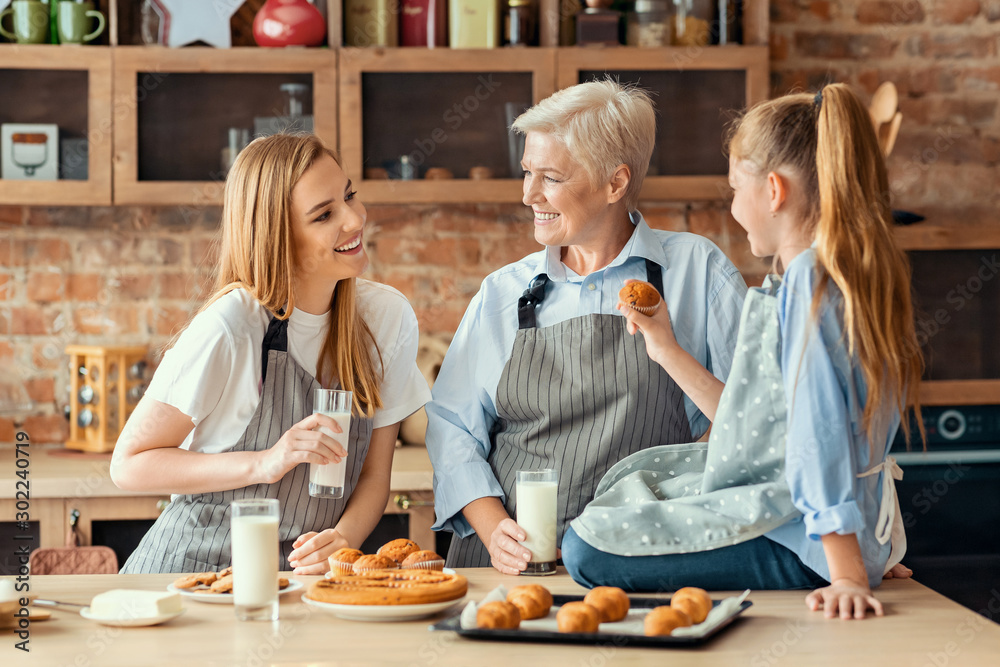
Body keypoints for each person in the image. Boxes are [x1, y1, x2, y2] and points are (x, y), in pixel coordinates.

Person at [562, 83, 924, 620]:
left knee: (586, 549)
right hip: (832, 532)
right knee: (636, 487)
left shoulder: (810, 283)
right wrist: (665, 347)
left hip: (811, 542)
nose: (732, 207)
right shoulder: (843, 271)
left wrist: (846, 570)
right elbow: (758, 425)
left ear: (774, 191)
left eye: (735, 189)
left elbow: (818, 435)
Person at [425, 80, 748, 571]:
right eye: (527, 171)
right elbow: (452, 428)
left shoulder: (699, 274)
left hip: (645, 561)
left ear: (615, 183)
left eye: (550, 177)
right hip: (510, 567)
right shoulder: (503, 292)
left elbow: (748, 424)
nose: (528, 193)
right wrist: (494, 532)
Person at [111, 134, 431, 575]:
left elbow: (376, 476)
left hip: (298, 580)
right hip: (193, 574)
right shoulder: (233, 324)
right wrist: (265, 462)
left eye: (349, 196)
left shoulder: (385, 319)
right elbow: (129, 465)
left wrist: (343, 540)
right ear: (278, 236)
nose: (355, 219)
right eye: (324, 215)